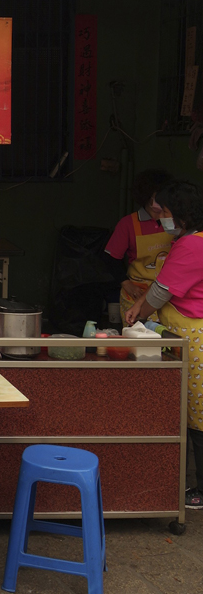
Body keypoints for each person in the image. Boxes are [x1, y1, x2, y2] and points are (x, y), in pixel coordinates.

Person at [125, 180, 203, 510]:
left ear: (182, 215)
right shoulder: (189, 241)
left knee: (198, 419)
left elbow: (161, 292)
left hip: (195, 338)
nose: (162, 221)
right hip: (184, 335)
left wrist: (135, 313)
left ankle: (201, 489)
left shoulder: (192, 246)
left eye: (166, 213)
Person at [106, 169, 175, 323]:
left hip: (168, 294)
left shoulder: (175, 222)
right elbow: (111, 259)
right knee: (138, 340)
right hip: (136, 294)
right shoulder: (128, 224)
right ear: (147, 197)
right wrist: (127, 284)